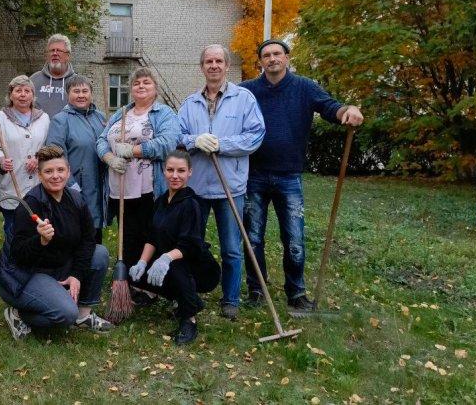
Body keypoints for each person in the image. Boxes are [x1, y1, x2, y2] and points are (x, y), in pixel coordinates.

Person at [240, 39, 364, 312]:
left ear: (286, 57)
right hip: (254, 176)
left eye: (277, 54)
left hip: (289, 176)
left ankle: (296, 293)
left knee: (294, 238)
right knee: (253, 237)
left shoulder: (305, 87)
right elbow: (225, 107)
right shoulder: (247, 91)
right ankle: (256, 289)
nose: (272, 59)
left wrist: (348, 110)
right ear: (260, 62)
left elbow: (331, 108)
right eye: (266, 55)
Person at [178, 44, 265, 320]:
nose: (213, 65)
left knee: (231, 247)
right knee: (191, 245)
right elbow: (178, 136)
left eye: (218, 61)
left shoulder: (244, 99)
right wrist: (194, 140)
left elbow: (255, 135)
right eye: (208, 61)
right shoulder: (190, 103)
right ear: (201, 67)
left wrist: (222, 144)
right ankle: (189, 295)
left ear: (227, 66)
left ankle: (231, 299)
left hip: (231, 186)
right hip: (198, 188)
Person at [0, 145, 114, 340]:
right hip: (25, 274)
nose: (55, 176)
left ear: (68, 172)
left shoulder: (76, 199)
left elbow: (87, 239)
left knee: (99, 253)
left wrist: (76, 274)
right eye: (48, 171)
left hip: (58, 265)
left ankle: (83, 315)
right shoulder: (31, 204)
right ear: (40, 176)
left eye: (60, 170)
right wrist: (40, 241)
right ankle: (18, 314)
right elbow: (17, 254)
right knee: (66, 314)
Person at [96, 67, 180, 294]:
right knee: (128, 235)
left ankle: (150, 285)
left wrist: (134, 150)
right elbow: (102, 140)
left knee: (148, 234)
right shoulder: (121, 112)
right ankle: (130, 282)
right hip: (120, 187)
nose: (141, 86)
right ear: (130, 89)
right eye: (136, 83)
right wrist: (110, 157)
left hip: (147, 188)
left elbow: (168, 142)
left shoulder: (164, 114)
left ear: (156, 88)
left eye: (146, 83)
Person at [127, 151, 220, 344]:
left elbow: (190, 245)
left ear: (190, 172)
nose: (175, 175)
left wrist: (165, 259)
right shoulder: (161, 201)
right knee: (134, 269)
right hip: (168, 260)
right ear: (164, 171)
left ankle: (189, 319)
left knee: (175, 268)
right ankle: (187, 299)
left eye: (181, 171)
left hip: (197, 267)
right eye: (170, 170)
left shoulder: (192, 204)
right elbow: (152, 237)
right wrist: (142, 263)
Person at [45, 75, 108, 242]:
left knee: (95, 232)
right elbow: (55, 155)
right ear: (68, 94)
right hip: (76, 186)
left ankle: (95, 264)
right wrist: (71, 185)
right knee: (78, 229)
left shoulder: (100, 118)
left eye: (85, 91)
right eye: (76, 91)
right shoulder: (61, 120)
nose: (81, 95)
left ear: (91, 94)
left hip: (99, 185)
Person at [0, 75, 50, 243]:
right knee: (13, 230)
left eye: (27, 91)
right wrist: (1, 161)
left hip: (37, 184)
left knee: (37, 228)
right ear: (11, 95)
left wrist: (39, 158)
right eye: (18, 91)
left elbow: (48, 146)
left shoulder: (43, 118)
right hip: (12, 182)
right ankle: (11, 265)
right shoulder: (0, 117)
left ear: (33, 95)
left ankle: (33, 264)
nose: (23, 95)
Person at [30, 34, 76, 117]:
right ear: (47, 56)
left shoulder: (77, 82)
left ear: (68, 56)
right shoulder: (34, 80)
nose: (55, 53)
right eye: (52, 50)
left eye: (59, 50)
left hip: (67, 129)